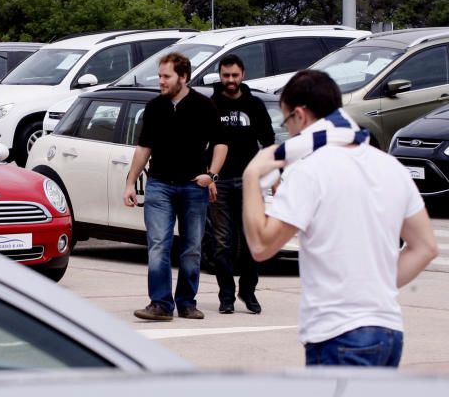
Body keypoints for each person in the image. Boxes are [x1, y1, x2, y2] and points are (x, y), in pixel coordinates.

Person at [242, 70, 438, 367]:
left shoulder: (309, 169)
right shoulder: (389, 166)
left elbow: (261, 246)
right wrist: (376, 288)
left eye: (286, 121)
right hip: (388, 330)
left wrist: (252, 176)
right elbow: (425, 247)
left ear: (300, 115)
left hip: (337, 334)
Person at [123, 52, 227, 321]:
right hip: (159, 185)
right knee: (158, 244)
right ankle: (160, 304)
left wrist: (212, 176)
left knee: (192, 247)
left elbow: (221, 144)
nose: (161, 81)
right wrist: (130, 182)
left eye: (166, 76)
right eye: (159, 76)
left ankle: (186, 302)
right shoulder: (155, 107)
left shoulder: (205, 106)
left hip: (194, 187)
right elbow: (144, 147)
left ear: (183, 77)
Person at [208, 54, 276, 315]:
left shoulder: (255, 105)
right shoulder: (211, 105)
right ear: (220, 76)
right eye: (226, 76)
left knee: (251, 240)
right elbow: (203, 145)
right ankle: (226, 295)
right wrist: (208, 176)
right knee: (222, 242)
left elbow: (269, 144)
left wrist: (275, 178)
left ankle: (248, 291)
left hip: (251, 182)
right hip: (220, 182)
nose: (230, 80)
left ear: (243, 75)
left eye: (235, 75)